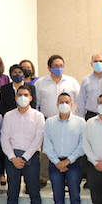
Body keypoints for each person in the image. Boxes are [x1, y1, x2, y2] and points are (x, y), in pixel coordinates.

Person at [1, 85, 45, 204]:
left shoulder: (38, 116)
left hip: (31, 157)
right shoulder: (8, 116)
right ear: (15, 97)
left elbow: (38, 139)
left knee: (34, 192)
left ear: (31, 98)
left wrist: (25, 157)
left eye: (26, 95)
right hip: (12, 158)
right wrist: (12, 157)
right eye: (19, 95)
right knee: (12, 193)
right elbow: (4, 138)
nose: (22, 97)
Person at [43, 92, 85, 204]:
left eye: (67, 102)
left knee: (75, 197)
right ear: (57, 105)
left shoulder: (80, 122)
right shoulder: (49, 122)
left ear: (72, 104)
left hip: (73, 163)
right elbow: (47, 145)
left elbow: (82, 145)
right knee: (58, 197)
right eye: (61, 102)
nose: (64, 104)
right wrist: (57, 162)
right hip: (55, 164)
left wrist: (67, 161)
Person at [35, 55, 80, 187]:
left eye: (61, 66)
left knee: (67, 148)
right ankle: (43, 177)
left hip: (68, 121)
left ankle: (66, 175)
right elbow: (36, 104)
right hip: (47, 121)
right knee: (46, 150)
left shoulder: (71, 81)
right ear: (49, 67)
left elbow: (79, 101)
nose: (59, 68)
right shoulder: (40, 83)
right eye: (55, 66)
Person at [0, 64, 37, 186]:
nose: (18, 75)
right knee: (13, 189)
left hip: (29, 147)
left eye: (20, 72)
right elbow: (1, 106)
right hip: (11, 126)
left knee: (33, 188)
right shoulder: (5, 89)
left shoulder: (30, 88)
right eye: (15, 72)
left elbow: (38, 138)